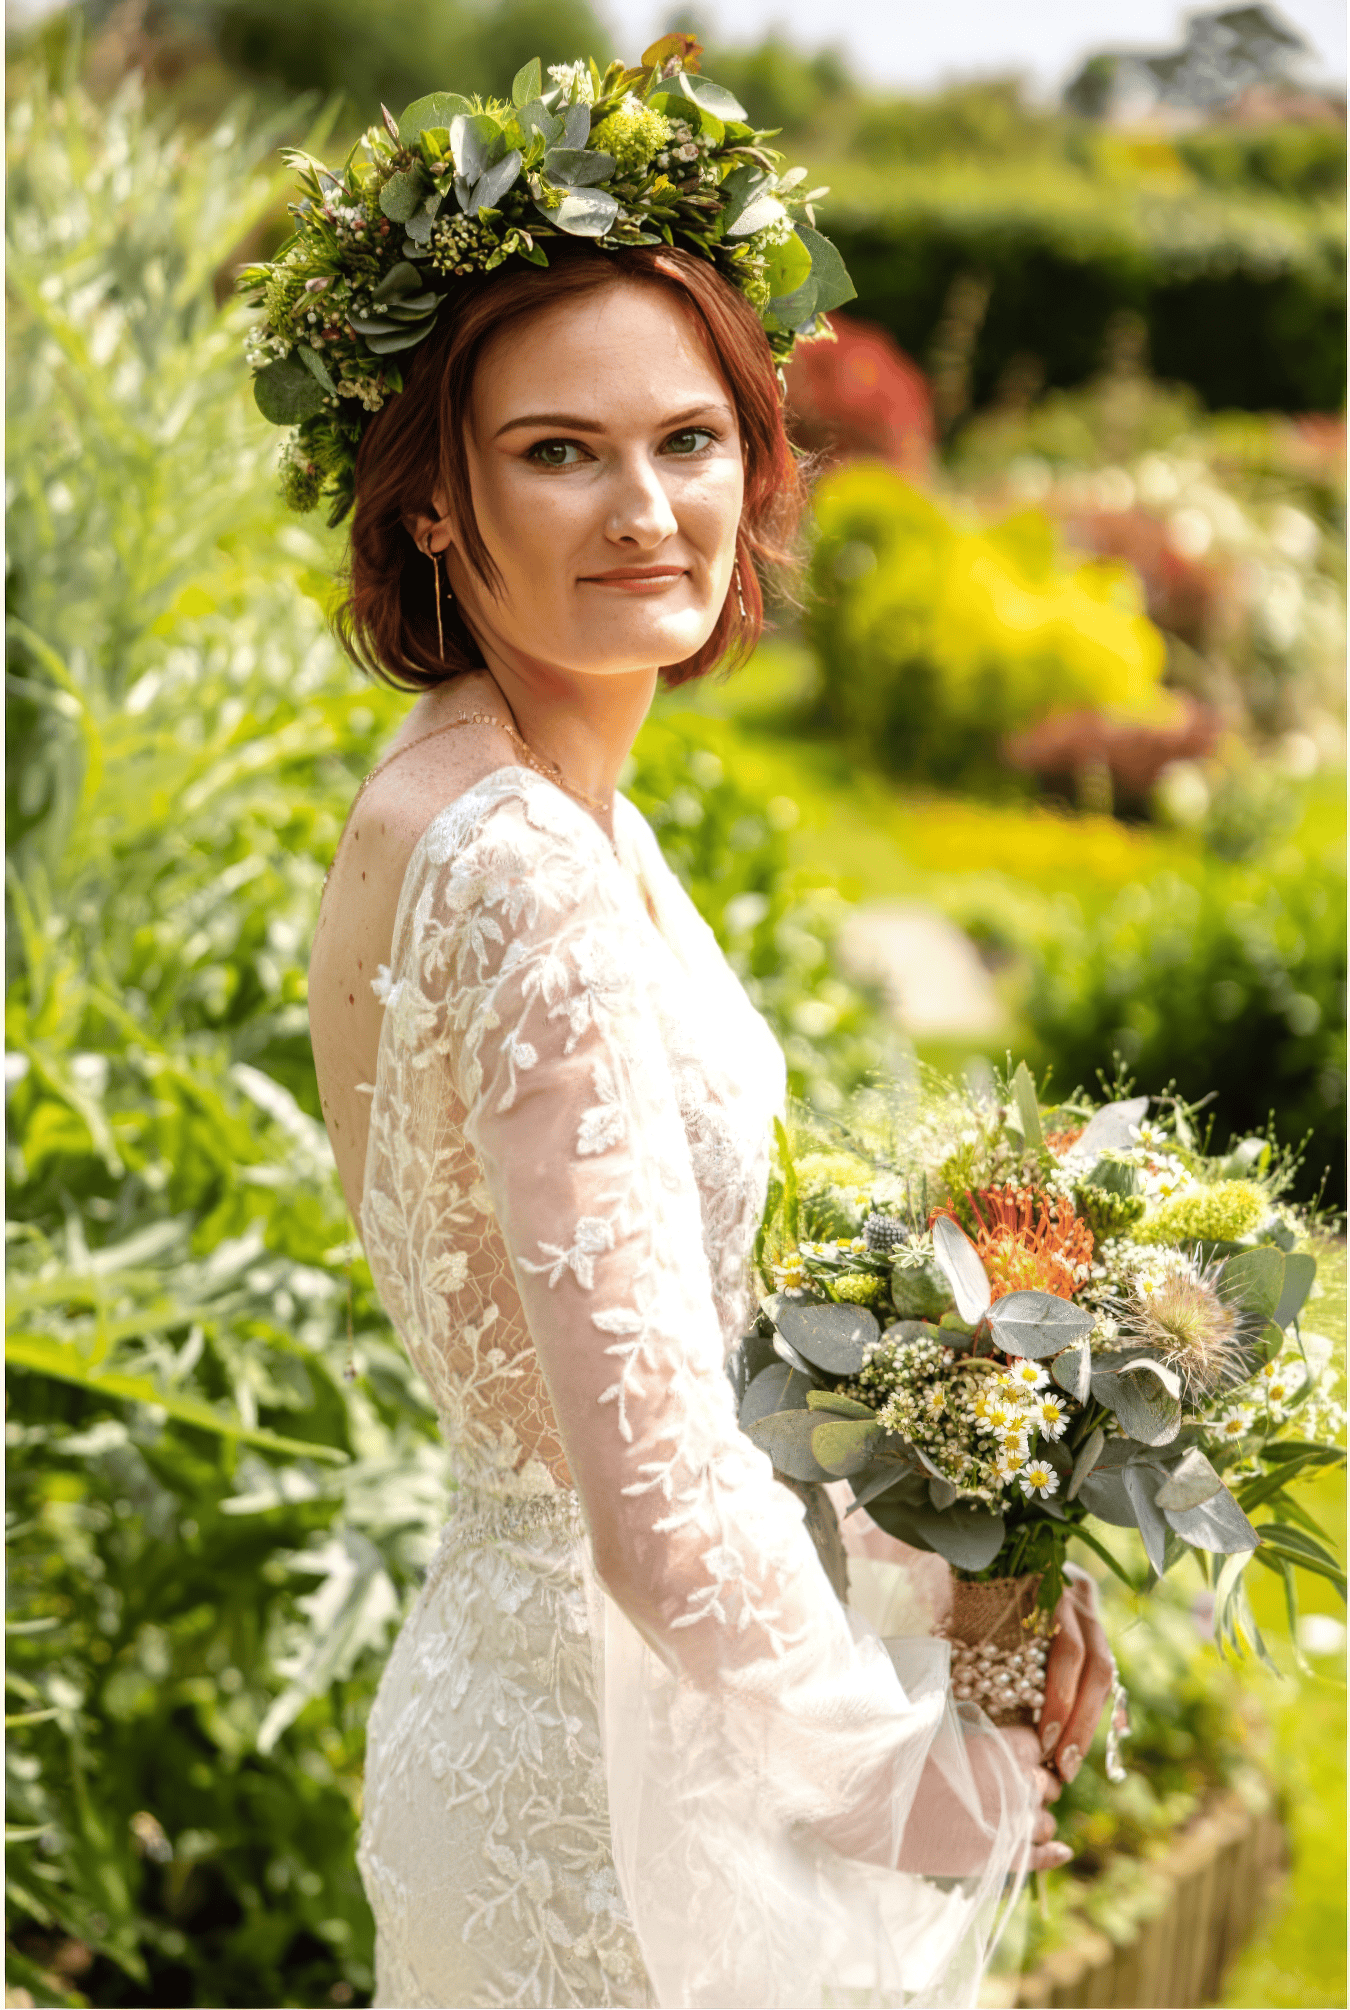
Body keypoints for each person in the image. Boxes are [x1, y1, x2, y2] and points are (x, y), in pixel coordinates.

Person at [269, 48, 1116, 2007]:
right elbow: (649, 1491)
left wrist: (975, 1539)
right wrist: (912, 1771)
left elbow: (678, 1324)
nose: (647, 506)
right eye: (559, 450)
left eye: (691, 440)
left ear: (758, 458)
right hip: (625, 1807)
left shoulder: (503, 793)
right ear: (431, 506)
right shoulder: (531, 874)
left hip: (526, 1703)